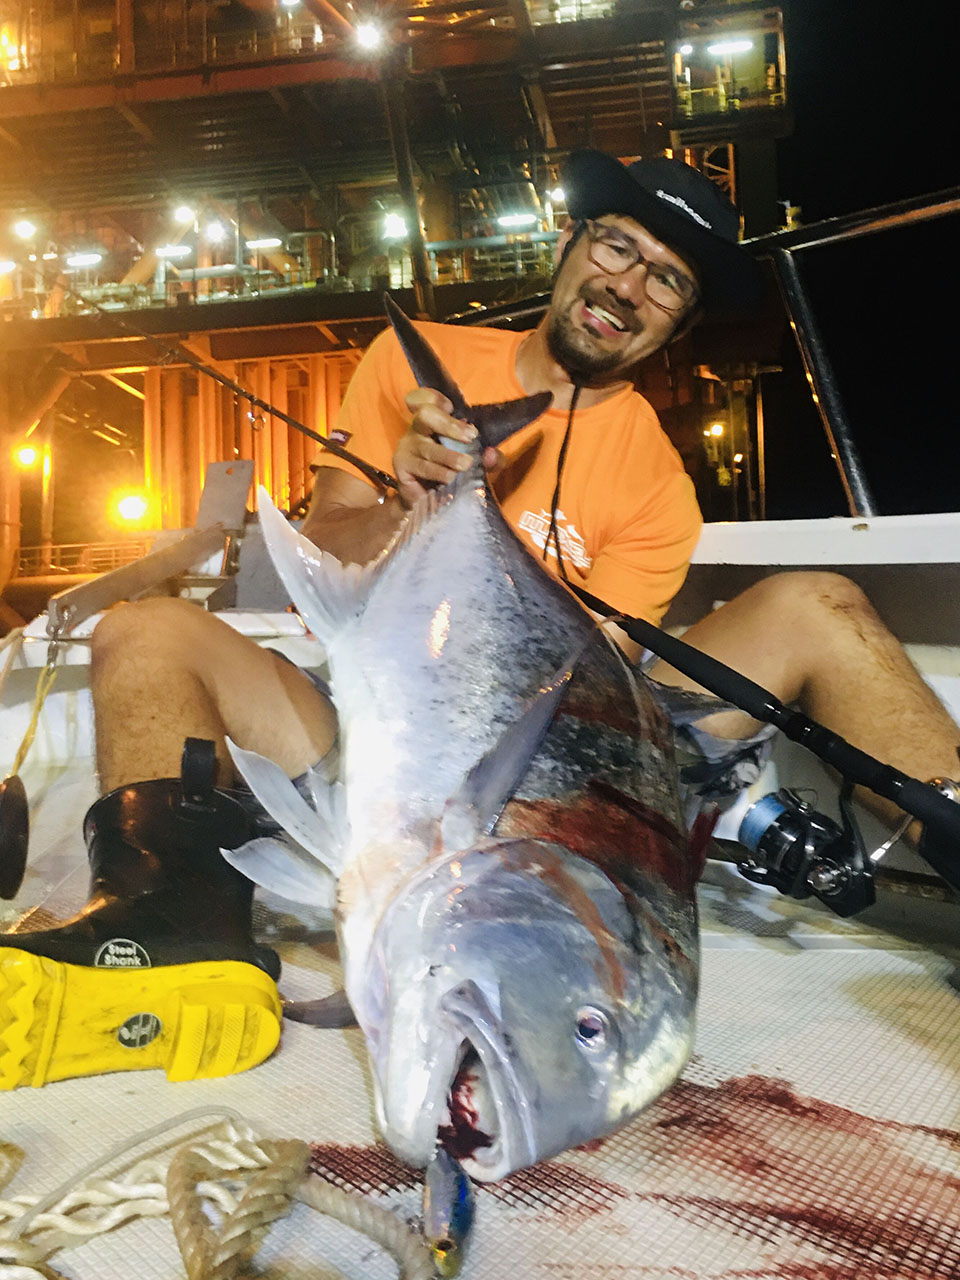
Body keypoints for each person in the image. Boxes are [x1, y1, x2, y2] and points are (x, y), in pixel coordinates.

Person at [2, 151, 956, 1090]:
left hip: (556, 751)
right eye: (616, 246)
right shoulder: (410, 362)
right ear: (571, 241)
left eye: (665, 280)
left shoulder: (663, 488)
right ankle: (168, 923)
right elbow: (326, 541)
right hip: (377, 716)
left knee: (816, 602)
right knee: (143, 628)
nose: (625, 286)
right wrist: (409, 496)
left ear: (679, 324)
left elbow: (596, 701)